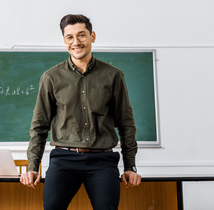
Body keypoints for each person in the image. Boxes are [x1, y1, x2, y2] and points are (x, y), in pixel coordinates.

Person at [20, 14, 142, 209]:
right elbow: (39, 126)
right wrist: (32, 167)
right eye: (69, 37)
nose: (76, 42)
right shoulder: (50, 78)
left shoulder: (113, 76)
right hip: (64, 160)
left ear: (92, 36)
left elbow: (126, 124)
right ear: (64, 41)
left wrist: (130, 167)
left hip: (103, 162)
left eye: (81, 35)